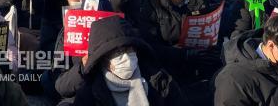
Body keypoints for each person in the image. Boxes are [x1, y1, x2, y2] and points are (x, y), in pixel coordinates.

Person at [55, 15, 185, 105]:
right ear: (103, 58)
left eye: (129, 49)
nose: (126, 57)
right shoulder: (90, 90)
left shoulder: (158, 79)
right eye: (117, 52)